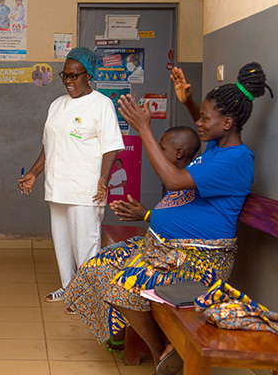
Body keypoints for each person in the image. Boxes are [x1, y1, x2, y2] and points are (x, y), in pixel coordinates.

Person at [63, 62, 272, 375]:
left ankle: (159, 349)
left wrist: (144, 128)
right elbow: (208, 127)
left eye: (206, 118)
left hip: (197, 262)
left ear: (227, 123)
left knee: (120, 286)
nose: (199, 123)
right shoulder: (220, 146)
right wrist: (189, 102)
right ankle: (160, 348)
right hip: (163, 249)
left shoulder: (235, 160)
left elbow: (173, 180)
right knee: (96, 268)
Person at [18, 46, 124, 303]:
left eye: (74, 76)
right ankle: (69, 288)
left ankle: (89, 296)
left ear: (88, 75)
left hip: (85, 187)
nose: (68, 81)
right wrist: (34, 172)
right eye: (64, 75)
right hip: (58, 185)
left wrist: (103, 179)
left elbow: (110, 146)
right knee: (63, 243)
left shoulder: (102, 104)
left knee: (86, 244)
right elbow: (49, 145)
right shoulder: (56, 105)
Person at [110, 126, 201, 221]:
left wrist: (146, 215)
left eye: (162, 149)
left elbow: (175, 222)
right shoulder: (170, 181)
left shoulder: (188, 186)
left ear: (178, 153)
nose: (157, 153)